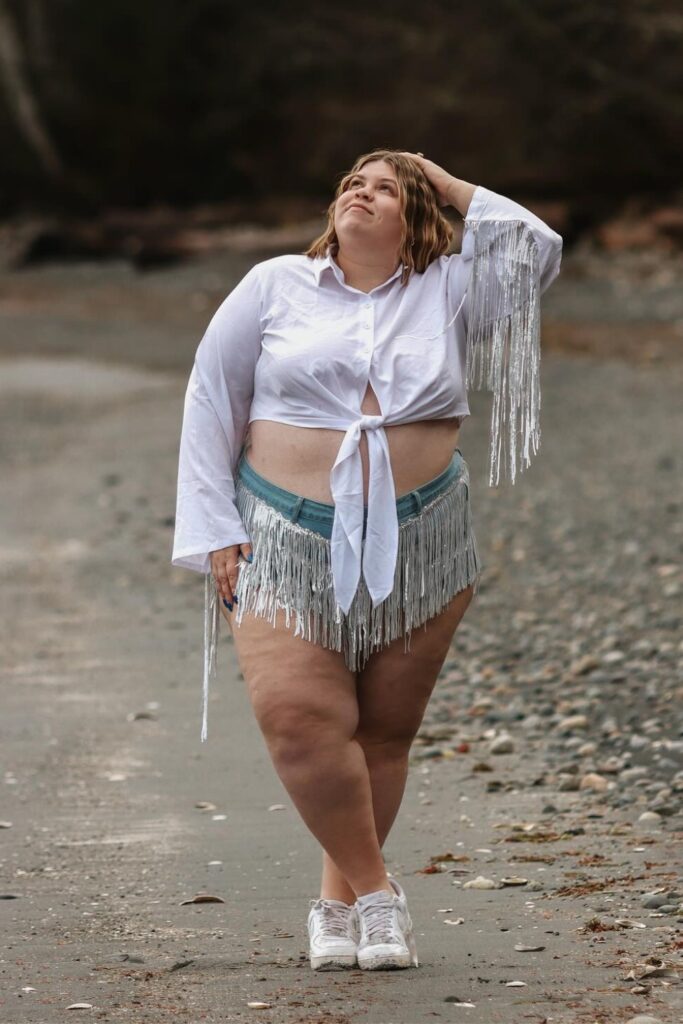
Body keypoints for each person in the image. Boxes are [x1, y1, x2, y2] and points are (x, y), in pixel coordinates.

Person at [171, 148, 563, 971]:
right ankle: (379, 893)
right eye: (352, 181)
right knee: (299, 725)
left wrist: (446, 183)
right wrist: (214, 530)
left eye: (385, 188)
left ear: (417, 216)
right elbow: (211, 397)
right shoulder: (274, 283)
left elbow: (534, 249)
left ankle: (340, 907)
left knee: (382, 734)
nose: (360, 190)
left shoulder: (451, 287)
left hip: (423, 534)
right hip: (279, 530)